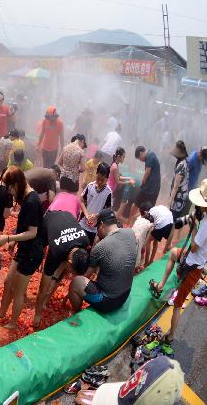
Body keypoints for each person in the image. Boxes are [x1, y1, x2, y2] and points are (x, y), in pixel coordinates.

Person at [148, 180, 207, 345]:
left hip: (194, 267)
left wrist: (193, 226)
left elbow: (194, 247)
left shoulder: (205, 225)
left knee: (178, 304)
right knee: (174, 253)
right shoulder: (204, 218)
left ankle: (171, 335)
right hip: (190, 259)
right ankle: (161, 286)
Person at [0, 166, 45, 329]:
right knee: (8, 282)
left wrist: (9, 237)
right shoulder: (26, 195)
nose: (9, 191)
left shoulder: (31, 200)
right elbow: (24, 226)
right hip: (24, 248)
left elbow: (32, 232)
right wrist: (15, 241)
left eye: (9, 187)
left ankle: (13, 323)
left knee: (18, 291)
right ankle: (1, 314)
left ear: (16, 184)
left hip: (32, 251)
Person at [69, 209, 137, 314]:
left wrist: (69, 294)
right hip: (125, 294)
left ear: (101, 224)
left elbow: (85, 276)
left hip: (108, 302)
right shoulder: (130, 232)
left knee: (76, 282)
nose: (97, 232)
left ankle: (76, 313)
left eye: (97, 228)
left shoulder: (101, 247)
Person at [32, 209, 90, 327]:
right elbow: (42, 288)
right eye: (72, 272)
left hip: (68, 216)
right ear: (69, 262)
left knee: (60, 272)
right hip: (49, 219)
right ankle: (40, 305)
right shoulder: (56, 252)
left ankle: (47, 300)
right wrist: (37, 315)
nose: (71, 276)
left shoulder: (85, 241)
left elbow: (65, 269)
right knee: (36, 254)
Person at [78, 162, 112, 244]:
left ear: (107, 178)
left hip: (94, 228)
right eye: (98, 178)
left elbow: (108, 209)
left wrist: (96, 216)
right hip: (82, 222)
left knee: (88, 247)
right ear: (96, 174)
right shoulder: (90, 186)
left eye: (102, 180)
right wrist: (86, 215)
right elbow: (82, 200)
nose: (99, 182)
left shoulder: (108, 192)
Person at [167, 141, 190, 240]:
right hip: (181, 197)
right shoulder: (184, 163)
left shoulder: (181, 166)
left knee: (173, 223)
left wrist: (170, 201)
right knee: (174, 221)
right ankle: (174, 240)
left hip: (178, 199)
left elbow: (176, 187)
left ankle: (167, 247)